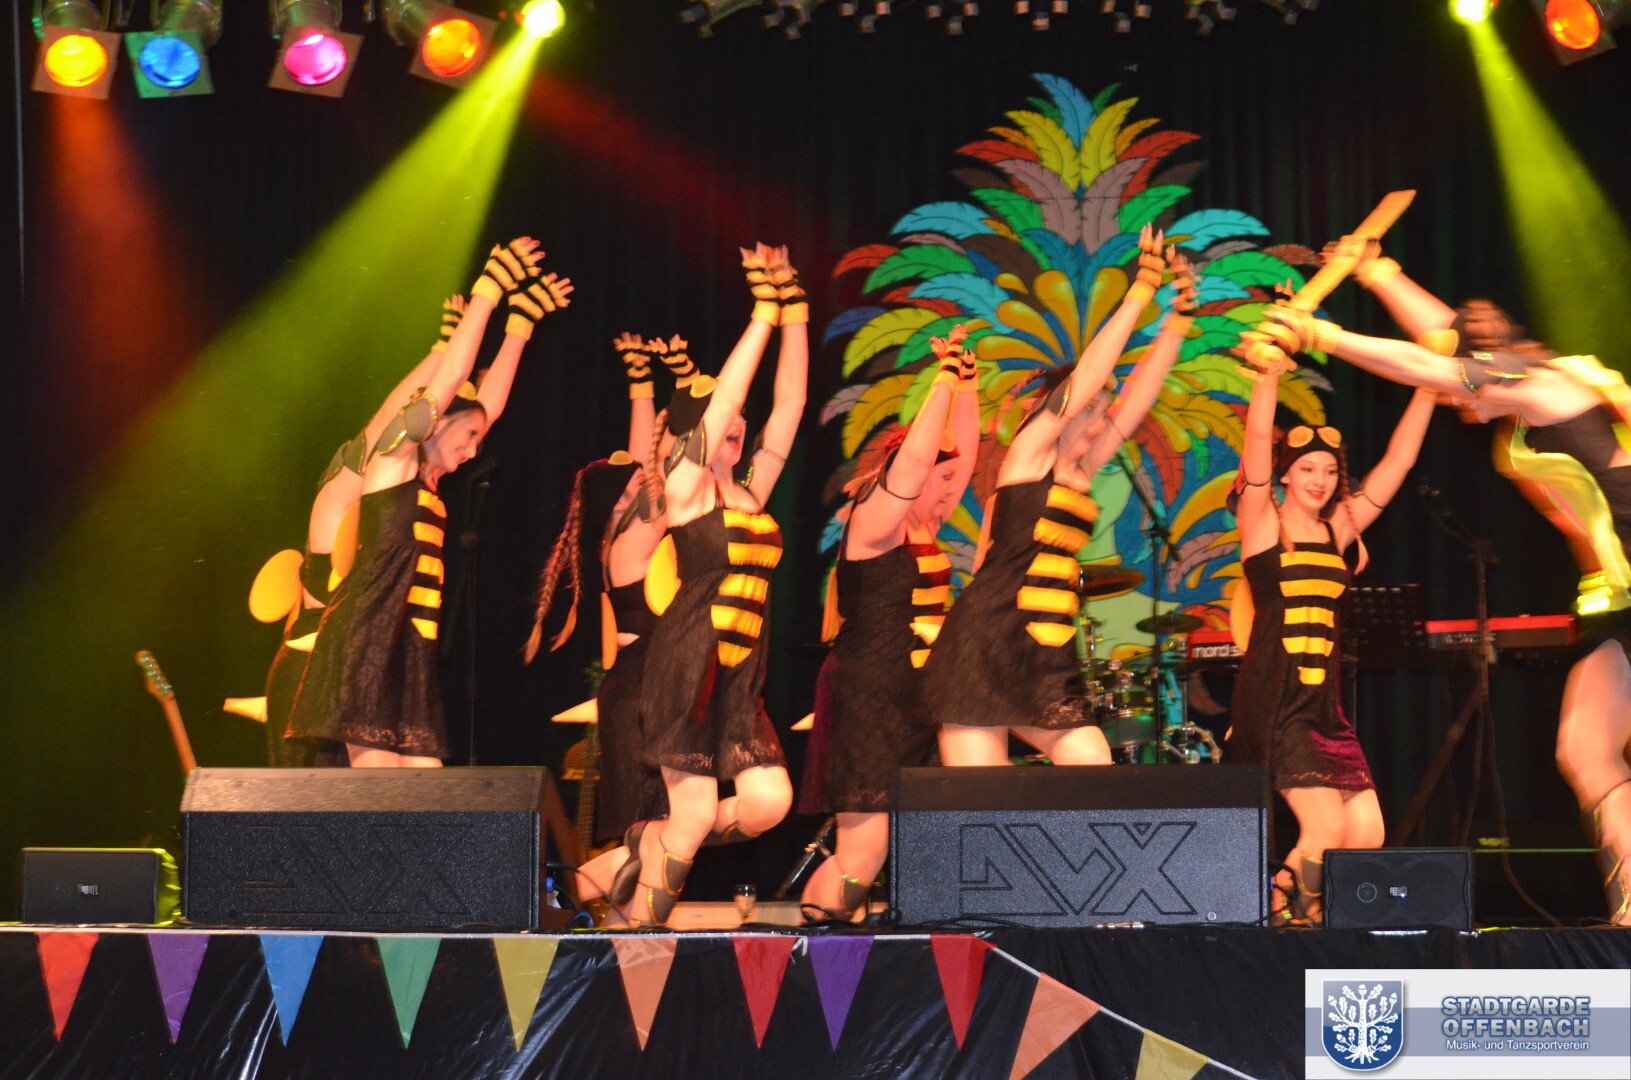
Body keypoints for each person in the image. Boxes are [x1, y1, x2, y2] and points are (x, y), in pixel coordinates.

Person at [1262, 244, 1631, 924]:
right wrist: (1379, 274)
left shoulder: (1545, 387)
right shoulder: (1532, 384)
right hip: (1619, 602)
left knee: (1589, 749)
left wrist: (1318, 335)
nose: (1455, 402)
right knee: (1585, 750)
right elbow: (1445, 346)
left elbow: (1440, 366)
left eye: (1465, 387)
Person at [288, 238, 570, 766]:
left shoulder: (430, 482)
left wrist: (521, 325)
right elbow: (453, 381)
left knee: (425, 793)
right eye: (468, 437)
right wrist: (489, 291)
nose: (473, 451)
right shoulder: (391, 463)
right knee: (382, 796)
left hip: (408, 653)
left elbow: (487, 407)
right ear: (436, 424)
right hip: (366, 645)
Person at [923, 231, 1194, 768]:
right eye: (1089, 407)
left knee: (1092, 766)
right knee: (982, 803)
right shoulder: (1029, 455)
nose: (1098, 420)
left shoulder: (1080, 470)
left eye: (1102, 410)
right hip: (985, 640)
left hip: (1045, 653)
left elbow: (1138, 399)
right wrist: (1141, 289)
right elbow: (1087, 376)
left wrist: (1178, 321)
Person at [606, 243, 808, 925]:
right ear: (699, 433)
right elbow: (729, 399)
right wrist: (761, 314)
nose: (738, 433)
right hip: (689, 663)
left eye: (741, 430)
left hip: (740, 675)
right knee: (692, 816)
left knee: (769, 801)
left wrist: (795, 310)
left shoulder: (751, 492)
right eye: (726, 428)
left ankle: (652, 841)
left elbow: (790, 404)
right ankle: (637, 933)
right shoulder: (687, 489)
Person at [1228, 307, 1436, 924]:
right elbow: (1255, 454)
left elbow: (1397, 464)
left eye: (1328, 471)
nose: (1319, 480)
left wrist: (1431, 383)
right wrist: (1268, 377)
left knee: (1365, 833)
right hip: (1276, 699)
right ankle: (1294, 923)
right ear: (1286, 475)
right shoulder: (1262, 526)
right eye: (1306, 470)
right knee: (1323, 829)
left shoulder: (1338, 529)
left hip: (1325, 707)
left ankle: (1282, 896)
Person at [796, 324, 980, 922]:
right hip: (868, 698)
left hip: (918, 696)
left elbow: (961, 459)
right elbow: (921, 456)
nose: (951, 489)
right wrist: (942, 379)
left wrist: (968, 385)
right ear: (908, 473)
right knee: (864, 848)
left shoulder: (925, 524)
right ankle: (812, 946)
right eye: (939, 479)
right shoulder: (875, 521)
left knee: (919, 834)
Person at [525, 333, 699, 912]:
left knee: (651, 839)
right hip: (643, 696)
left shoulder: (616, 546)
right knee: (658, 833)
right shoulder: (635, 541)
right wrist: (681, 385)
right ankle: (570, 899)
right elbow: (664, 462)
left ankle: (573, 902)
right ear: (618, 506)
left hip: (633, 691)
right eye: (631, 486)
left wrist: (640, 383)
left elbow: (648, 460)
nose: (643, 482)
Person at [264, 297, 469, 767]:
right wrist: (442, 350)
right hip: (314, 672)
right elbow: (388, 421)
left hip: (362, 671)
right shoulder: (339, 495)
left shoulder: (393, 504)